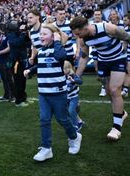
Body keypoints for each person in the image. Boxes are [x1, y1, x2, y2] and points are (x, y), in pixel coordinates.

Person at [70, 16, 130, 140]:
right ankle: (121, 113)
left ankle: (116, 128)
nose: (78, 36)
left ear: (85, 27)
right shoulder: (82, 39)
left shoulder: (108, 28)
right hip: (103, 62)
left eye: (79, 33)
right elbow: (84, 58)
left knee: (115, 90)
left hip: (118, 59)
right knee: (109, 92)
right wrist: (76, 76)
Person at [24, 24, 82, 162]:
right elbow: (41, 65)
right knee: (44, 120)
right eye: (40, 34)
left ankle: (74, 137)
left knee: (62, 119)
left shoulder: (58, 49)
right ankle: (46, 148)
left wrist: (57, 41)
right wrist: (30, 71)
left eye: (44, 34)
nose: (41, 36)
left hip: (58, 93)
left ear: (53, 36)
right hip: (43, 93)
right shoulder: (42, 51)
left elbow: (61, 56)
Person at [63, 61, 84, 131]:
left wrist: (73, 80)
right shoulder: (61, 76)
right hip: (66, 98)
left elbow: (80, 81)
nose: (63, 71)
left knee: (71, 111)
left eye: (64, 69)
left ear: (69, 69)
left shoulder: (73, 75)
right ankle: (80, 121)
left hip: (73, 97)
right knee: (69, 112)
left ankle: (75, 126)